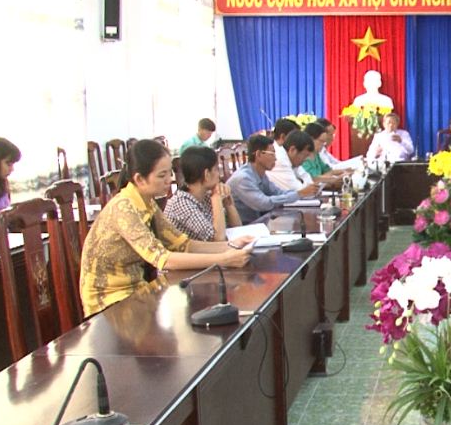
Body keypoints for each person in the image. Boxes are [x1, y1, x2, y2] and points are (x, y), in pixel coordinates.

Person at [79, 139, 253, 316]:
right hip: (108, 300)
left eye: (170, 173)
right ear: (139, 179)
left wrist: (231, 246)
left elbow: (183, 244)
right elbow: (163, 259)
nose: (170, 180)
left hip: (137, 288)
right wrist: (223, 259)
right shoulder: (123, 208)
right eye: (162, 176)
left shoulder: (147, 203)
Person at [227, 134, 318, 223]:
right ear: (258, 154)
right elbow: (263, 203)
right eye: (272, 154)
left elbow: (278, 192)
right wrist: (299, 194)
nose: (275, 159)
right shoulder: (243, 178)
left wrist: (300, 193)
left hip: (258, 223)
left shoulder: (261, 174)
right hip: (243, 227)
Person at [163, 146, 242, 242]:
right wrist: (217, 199)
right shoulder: (181, 203)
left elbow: (238, 228)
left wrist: (228, 204)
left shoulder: (206, 195)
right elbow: (218, 239)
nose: (219, 174)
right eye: (216, 169)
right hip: (192, 251)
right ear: (207, 174)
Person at [267, 118, 315, 190]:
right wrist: (301, 182)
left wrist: (301, 182)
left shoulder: (291, 157)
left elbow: (308, 181)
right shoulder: (279, 158)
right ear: (292, 150)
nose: (306, 159)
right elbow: (300, 191)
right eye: (305, 156)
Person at [301, 122, 349, 187]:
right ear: (311, 139)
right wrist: (331, 179)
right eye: (321, 141)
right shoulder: (302, 158)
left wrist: (345, 171)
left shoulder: (316, 155)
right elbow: (311, 180)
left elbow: (328, 171)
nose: (323, 145)